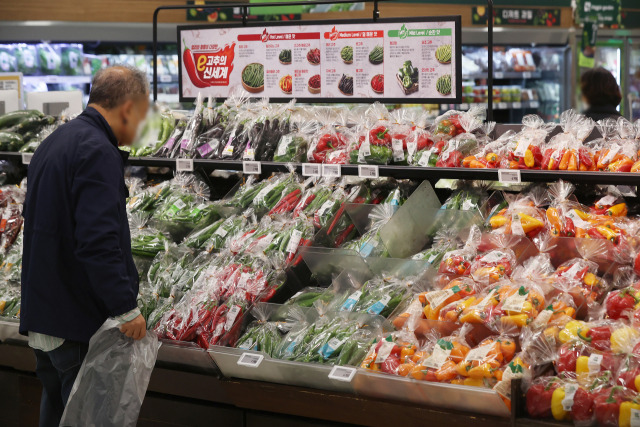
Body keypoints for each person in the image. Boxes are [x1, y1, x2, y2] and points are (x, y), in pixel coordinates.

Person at [20, 65, 149, 427]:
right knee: (88, 416)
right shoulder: (98, 152)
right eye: (143, 113)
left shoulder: (55, 142)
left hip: (45, 316)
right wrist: (125, 308)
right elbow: (97, 241)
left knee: (57, 409)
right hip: (76, 321)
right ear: (128, 108)